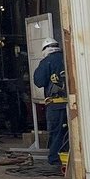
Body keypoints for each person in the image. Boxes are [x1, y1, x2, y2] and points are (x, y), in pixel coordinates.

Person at [33, 37, 69, 170]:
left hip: (55, 105)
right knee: (70, 132)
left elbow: (39, 81)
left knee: (56, 132)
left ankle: (55, 159)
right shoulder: (67, 58)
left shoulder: (47, 62)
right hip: (71, 104)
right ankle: (70, 158)